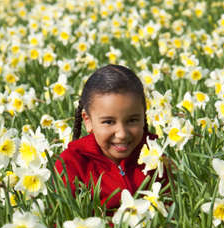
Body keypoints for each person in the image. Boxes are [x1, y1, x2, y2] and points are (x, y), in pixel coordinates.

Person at [54, 64, 163, 211]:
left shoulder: (154, 155)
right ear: (88, 120)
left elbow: (168, 210)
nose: (122, 134)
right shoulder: (71, 164)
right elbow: (60, 220)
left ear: (144, 116)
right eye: (108, 122)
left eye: (132, 120)